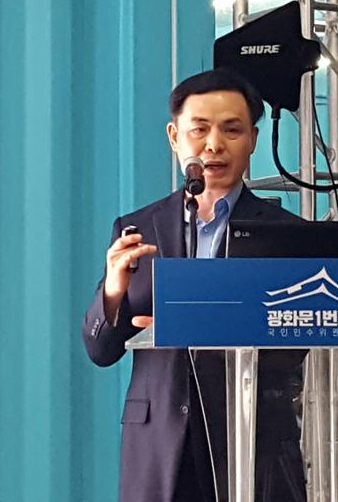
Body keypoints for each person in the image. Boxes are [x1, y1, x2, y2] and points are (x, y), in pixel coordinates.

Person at [82, 69, 305, 502]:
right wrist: (112, 291)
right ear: (174, 137)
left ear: (253, 140)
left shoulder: (287, 234)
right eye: (199, 129)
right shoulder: (136, 227)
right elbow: (100, 351)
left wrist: (206, 322)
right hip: (160, 444)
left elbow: (297, 346)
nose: (214, 145)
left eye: (232, 130)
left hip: (252, 439)